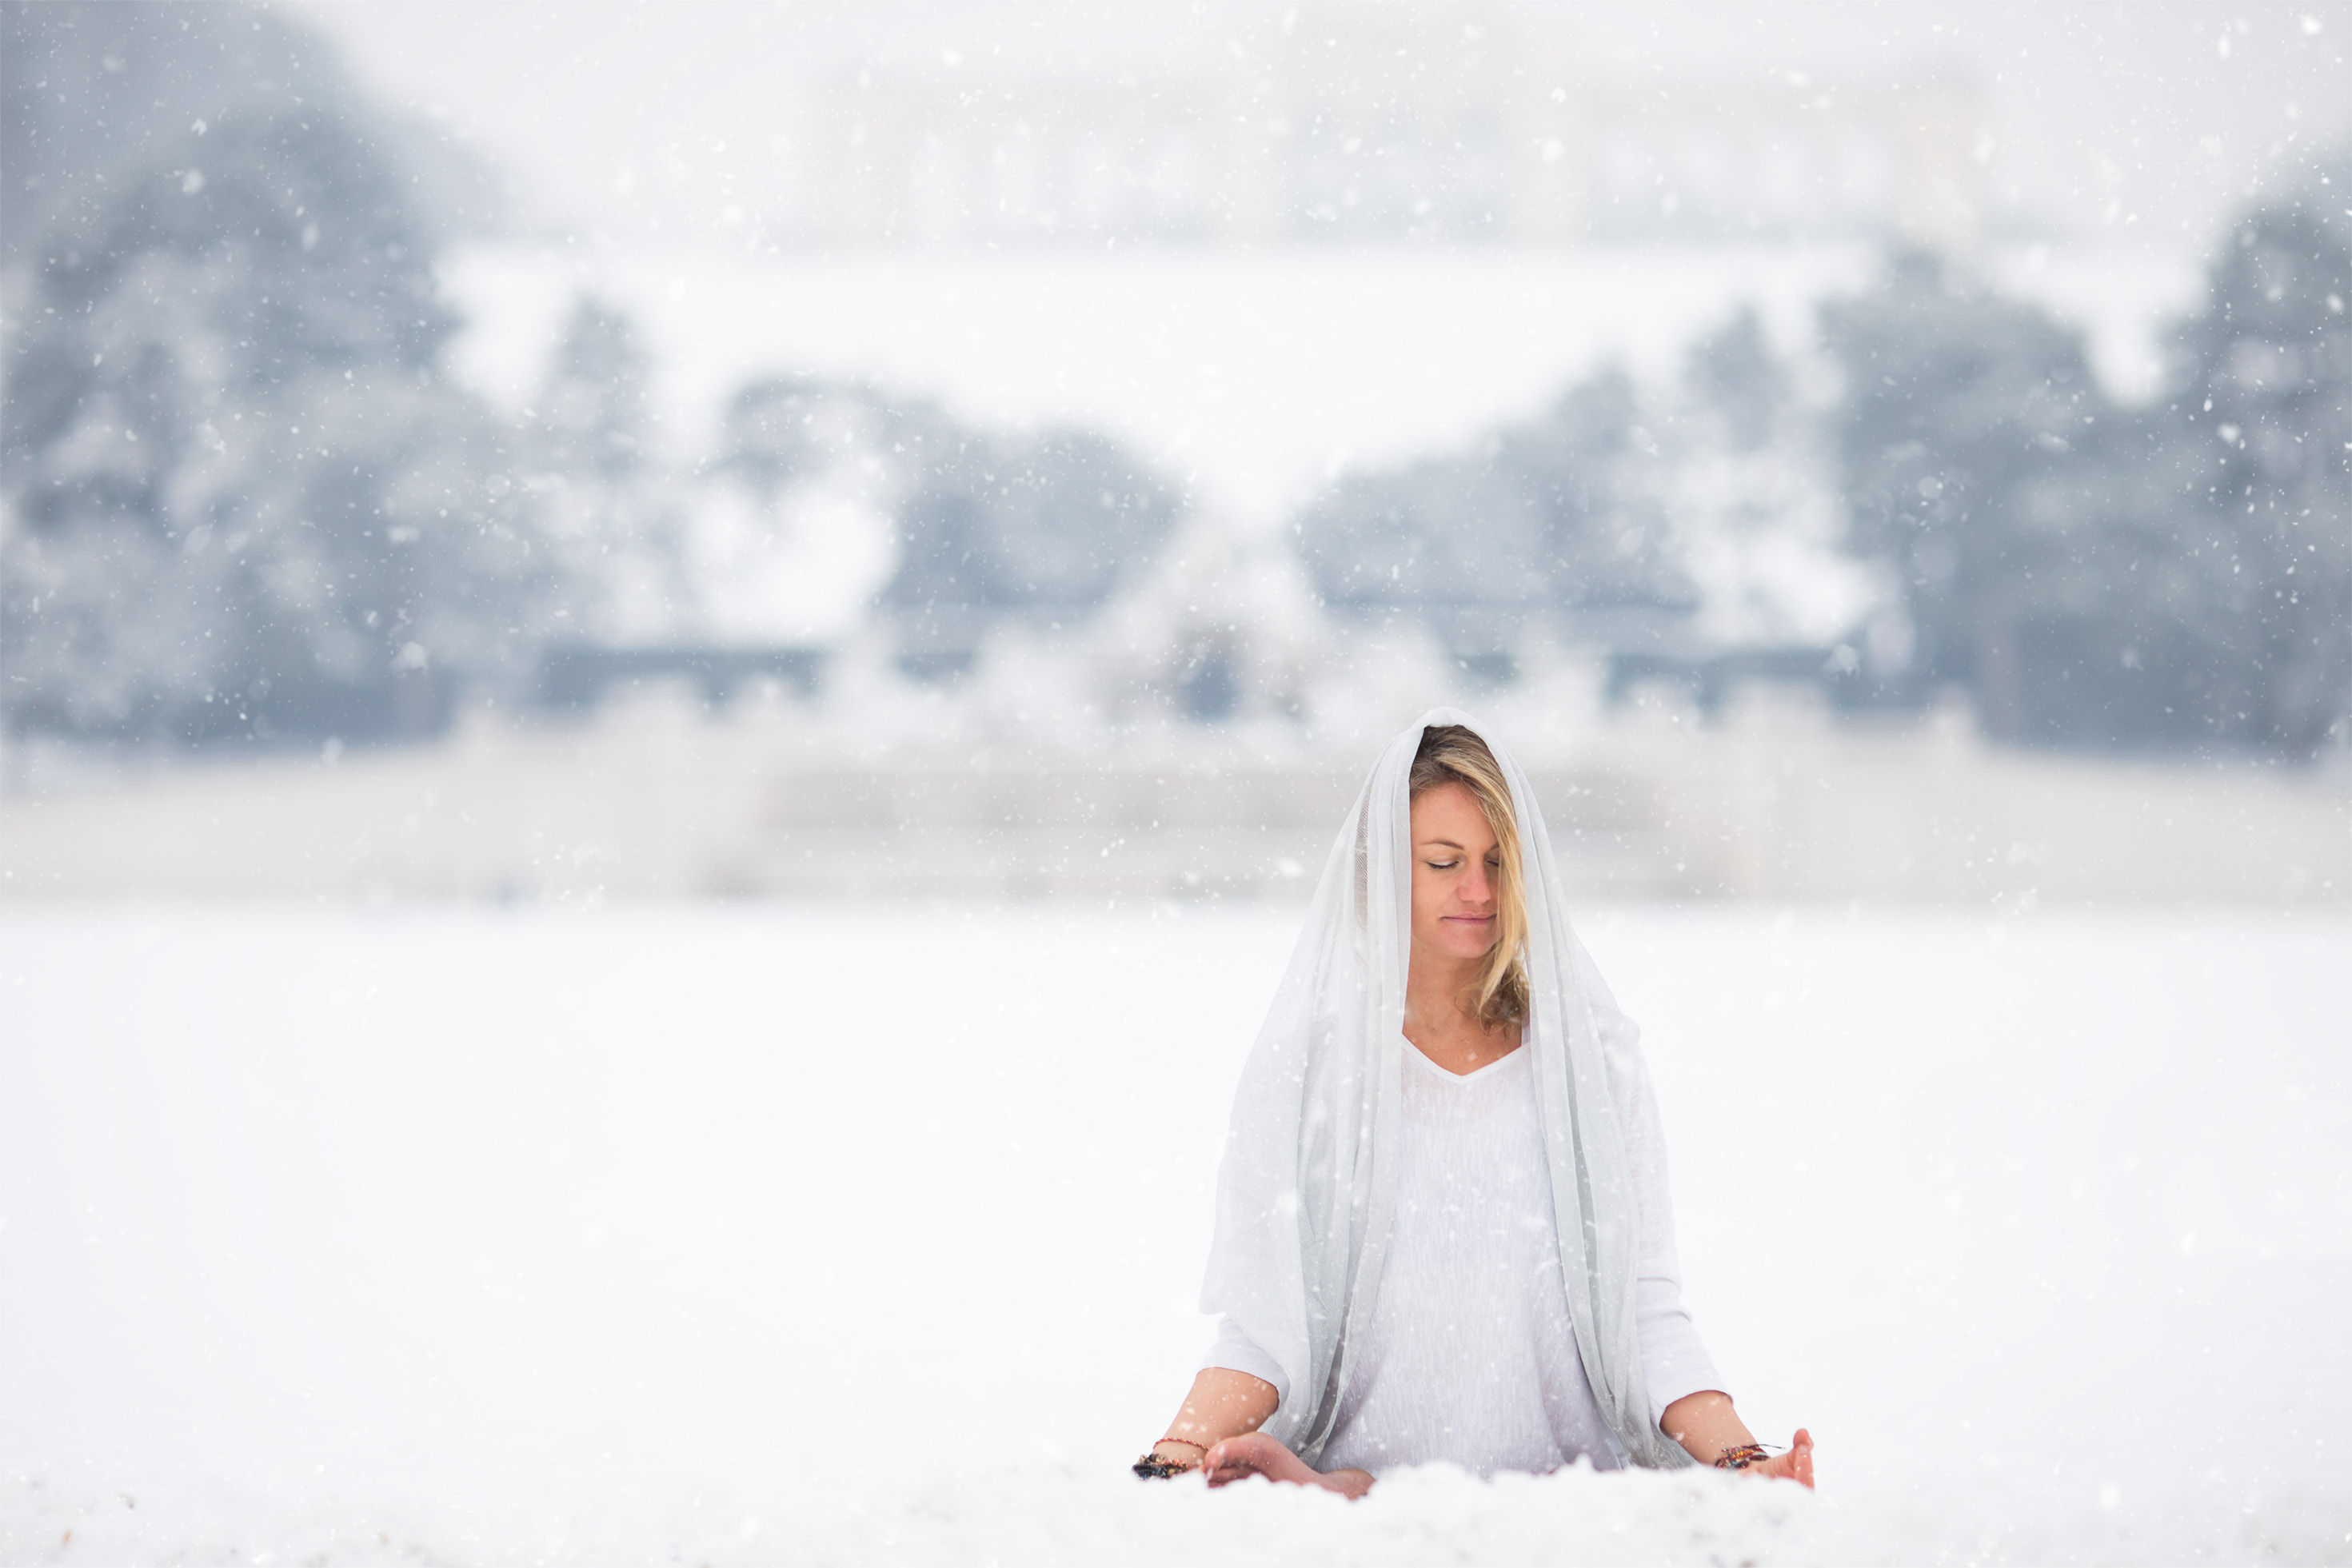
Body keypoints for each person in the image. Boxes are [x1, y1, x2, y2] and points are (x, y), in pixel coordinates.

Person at [1136, 712, 1814, 1496]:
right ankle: (1337, 1487)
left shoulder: (1590, 1064)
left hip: (1566, 1487)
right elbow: (1264, 1318)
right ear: (1380, 868)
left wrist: (1740, 1457)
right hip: (1364, 1477)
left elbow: (1643, 1301)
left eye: (1499, 861)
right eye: (1443, 860)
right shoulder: (1314, 1069)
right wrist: (1174, 1451)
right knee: (1351, 1489)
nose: (1480, 890)